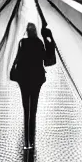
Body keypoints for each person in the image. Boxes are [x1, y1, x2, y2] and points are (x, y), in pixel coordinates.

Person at [12, 22, 47, 150]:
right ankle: (32, 139)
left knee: (26, 108)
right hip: (36, 79)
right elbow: (45, 58)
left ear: (26, 31)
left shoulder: (22, 43)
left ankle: (26, 140)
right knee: (34, 109)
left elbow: (18, 58)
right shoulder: (39, 43)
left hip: (24, 79)